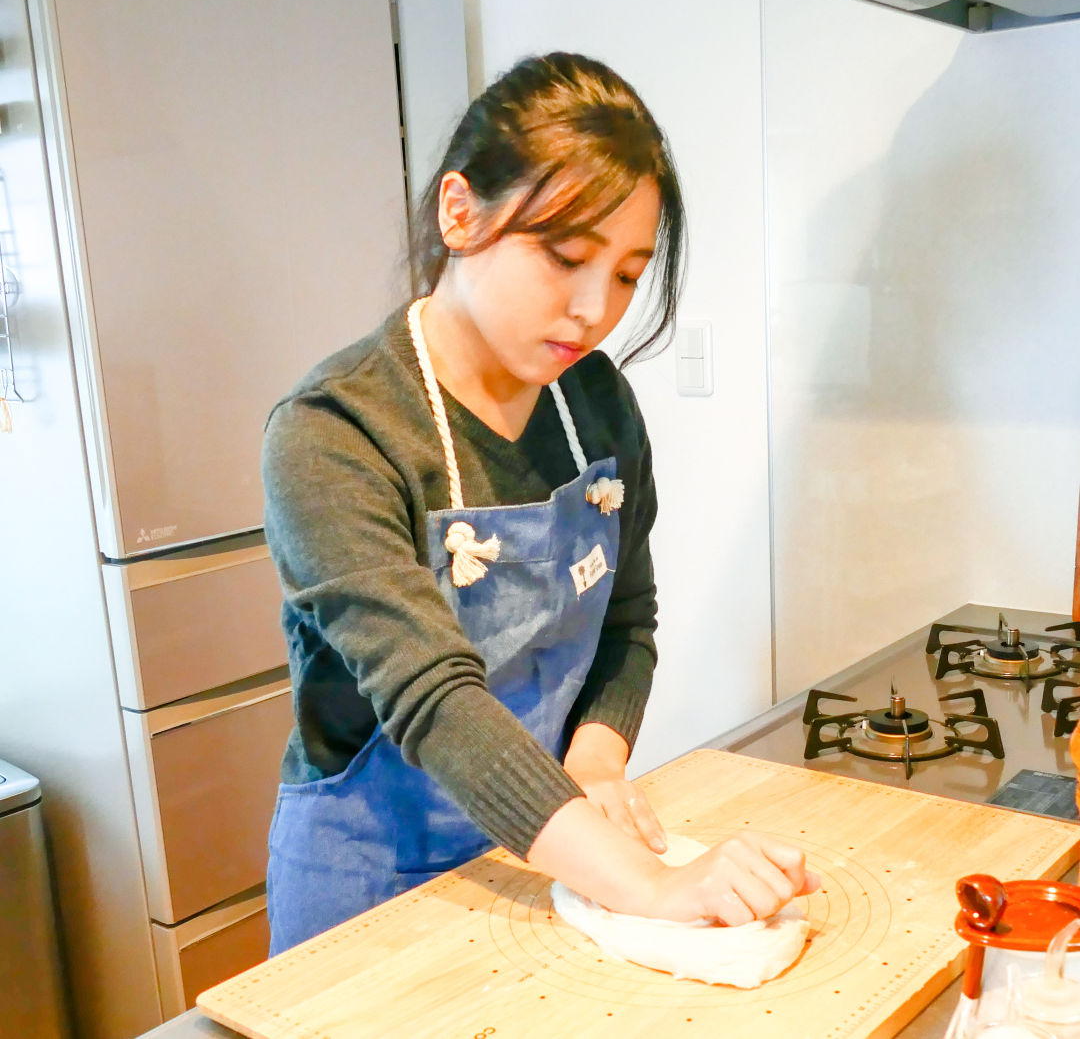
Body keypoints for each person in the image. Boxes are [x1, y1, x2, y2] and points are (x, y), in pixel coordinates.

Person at [261, 50, 819, 955]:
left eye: (630, 275)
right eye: (565, 258)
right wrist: (652, 884)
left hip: (558, 860)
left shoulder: (595, 404)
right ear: (459, 211)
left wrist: (596, 757)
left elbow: (627, 620)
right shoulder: (335, 434)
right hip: (370, 886)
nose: (594, 310)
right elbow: (434, 699)